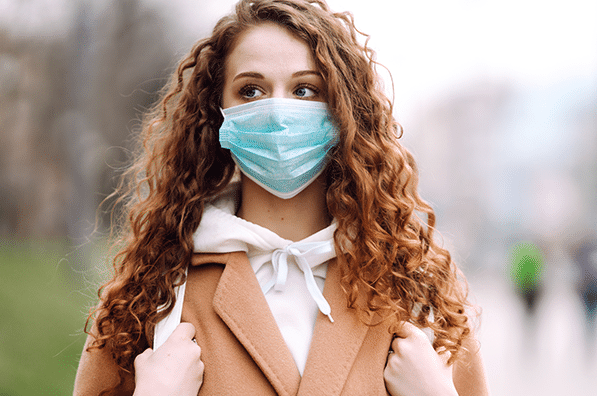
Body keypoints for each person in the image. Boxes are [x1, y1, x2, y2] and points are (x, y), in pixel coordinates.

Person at [73, 1, 487, 395]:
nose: (277, 112)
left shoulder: (414, 292)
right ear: (217, 112)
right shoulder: (151, 296)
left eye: (305, 90)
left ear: (344, 111)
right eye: (250, 91)